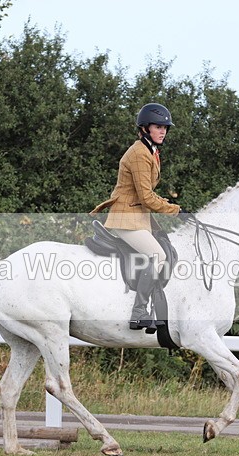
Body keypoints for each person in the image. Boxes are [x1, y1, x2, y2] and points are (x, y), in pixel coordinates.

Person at [90, 103, 191, 330]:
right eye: (158, 127)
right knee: (158, 256)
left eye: (165, 127)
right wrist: (176, 211)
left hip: (137, 216)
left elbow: (149, 194)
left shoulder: (150, 152)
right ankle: (139, 311)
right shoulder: (138, 153)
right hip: (126, 217)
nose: (163, 131)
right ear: (145, 128)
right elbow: (146, 197)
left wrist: (175, 207)